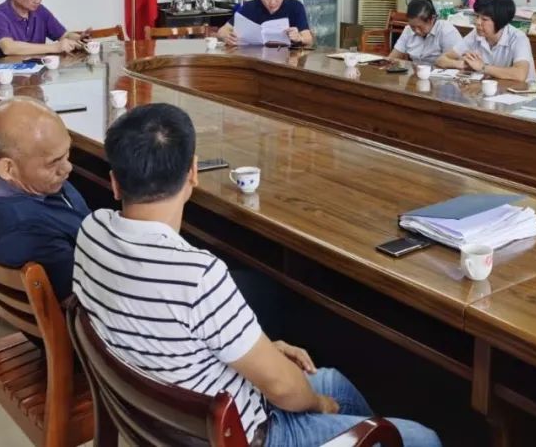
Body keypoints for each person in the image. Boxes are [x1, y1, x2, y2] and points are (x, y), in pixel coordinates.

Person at [73, 103, 442, 447]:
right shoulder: (198, 275)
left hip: (164, 417)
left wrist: (258, 347)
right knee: (422, 439)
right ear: (193, 174)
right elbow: (283, 389)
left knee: (337, 384)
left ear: (115, 183)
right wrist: (318, 405)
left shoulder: (91, 231)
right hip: (247, 434)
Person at [0, 96, 88, 301]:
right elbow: (82, 297)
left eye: (67, 154)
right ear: (8, 168)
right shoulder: (26, 232)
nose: (68, 168)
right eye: (54, 162)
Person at [436, 0, 536, 81]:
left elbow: (520, 74)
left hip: (523, 94)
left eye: (484, 19)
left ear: (500, 22)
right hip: (493, 91)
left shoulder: (518, 38)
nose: (477, 22)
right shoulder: (476, 34)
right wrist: (463, 64)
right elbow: (441, 60)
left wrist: (482, 67)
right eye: (476, 16)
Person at [216, 0, 313, 47]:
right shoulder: (249, 7)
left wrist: (299, 37)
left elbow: (308, 38)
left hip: (287, 60)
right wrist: (227, 37)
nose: (272, 2)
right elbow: (222, 31)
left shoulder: (295, 7)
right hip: (255, 60)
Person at [388, 0, 464, 66]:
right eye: (413, 27)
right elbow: (393, 56)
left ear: (432, 19)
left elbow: (455, 62)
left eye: (420, 27)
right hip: (416, 74)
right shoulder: (408, 30)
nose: (416, 31)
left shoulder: (446, 31)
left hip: (440, 75)